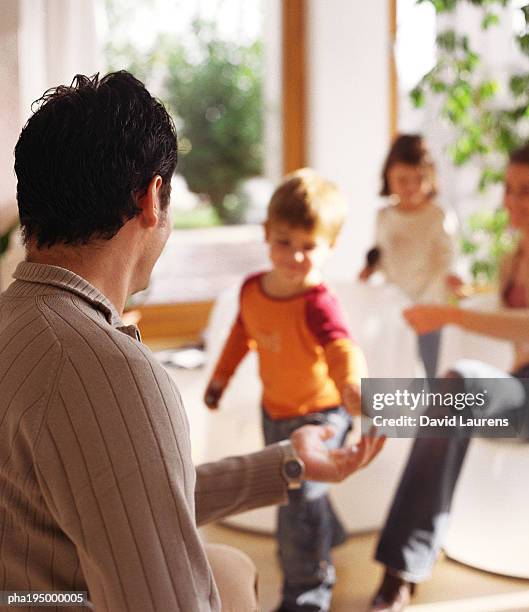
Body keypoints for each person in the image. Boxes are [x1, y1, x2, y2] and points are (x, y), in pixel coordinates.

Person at [0, 71, 385, 612]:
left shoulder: (15, 322)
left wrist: (285, 465)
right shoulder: (111, 374)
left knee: (230, 564)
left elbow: (126, 489)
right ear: (151, 198)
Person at [369, 144, 529, 612]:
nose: (512, 201)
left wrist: (447, 315)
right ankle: (401, 570)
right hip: (527, 392)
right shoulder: (512, 257)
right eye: (508, 190)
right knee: (457, 381)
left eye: (527, 191)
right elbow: (511, 324)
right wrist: (463, 296)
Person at [204, 168, 368, 612]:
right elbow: (242, 337)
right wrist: (220, 379)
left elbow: (341, 348)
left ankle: (307, 593)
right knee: (297, 493)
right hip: (274, 411)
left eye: (308, 247)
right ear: (266, 234)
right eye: (284, 242)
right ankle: (329, 531)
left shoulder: (318, 303)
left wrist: (351, 387)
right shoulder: (252, 291)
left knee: (295, 503)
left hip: (321, 416)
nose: (295, 257)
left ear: (330, 247)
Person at [358, 134, 461, 379]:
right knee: (394, 367)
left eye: (418, 179)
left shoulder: (438, 215)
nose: (411, 187)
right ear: (388, 178)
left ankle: (433, 414)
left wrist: (451, 280)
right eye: (402, 180)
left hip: (429, 304)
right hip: (394, 307)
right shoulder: (384, 217)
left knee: (431, 369)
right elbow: (381, 254)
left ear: (430, 178)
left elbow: (447, 258)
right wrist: (369, 270)